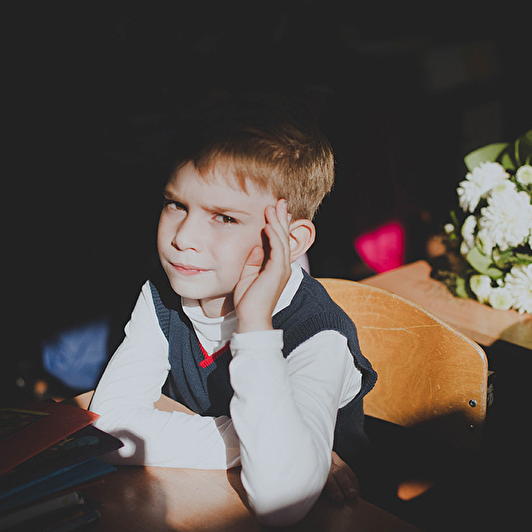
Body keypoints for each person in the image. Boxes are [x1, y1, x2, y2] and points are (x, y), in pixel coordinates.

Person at [88, 96, 377, 525]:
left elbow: (282, 499)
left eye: (223, 218)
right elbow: (108, 428)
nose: (184, 237)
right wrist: (260, 447)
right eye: (176, 204)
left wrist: (255, 325)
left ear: (289, 242)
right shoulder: (162, 295)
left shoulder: (318, 335)